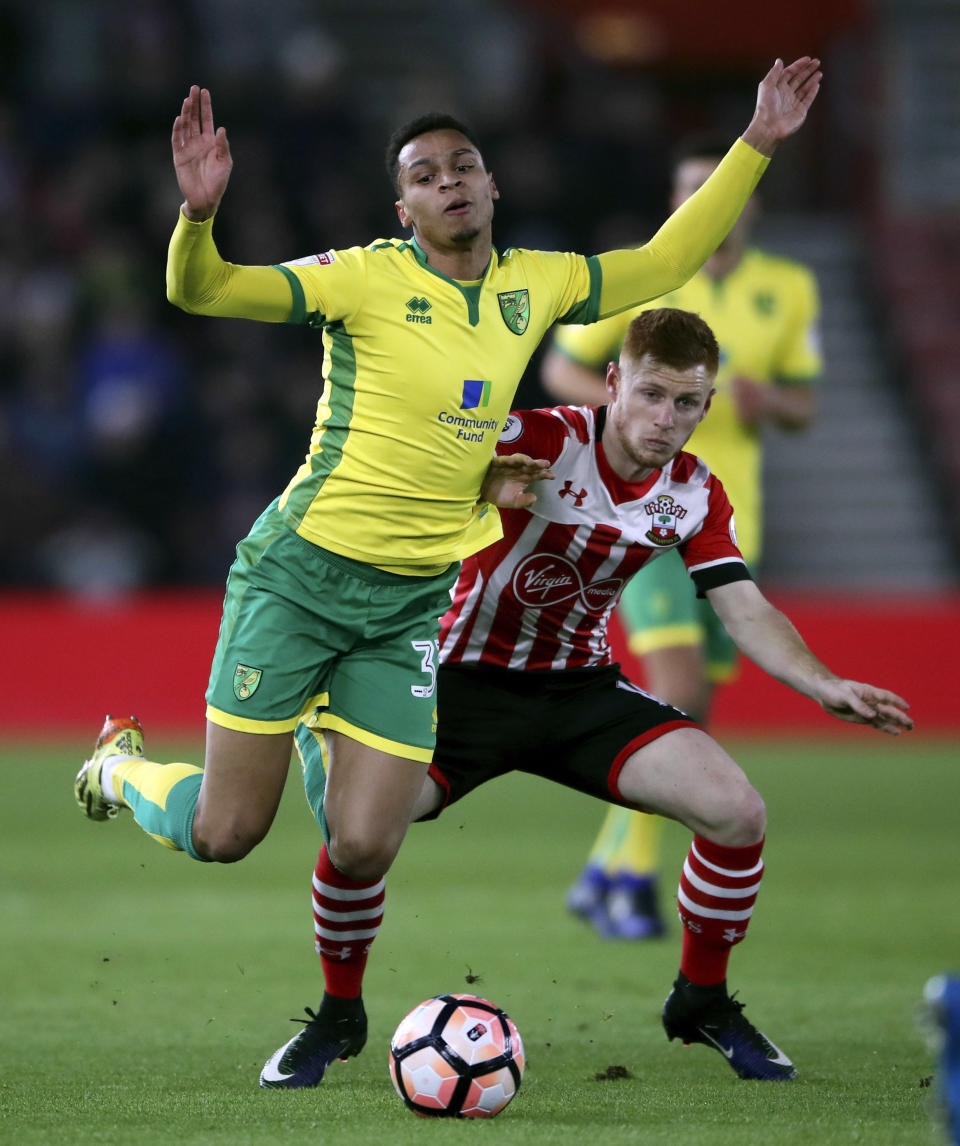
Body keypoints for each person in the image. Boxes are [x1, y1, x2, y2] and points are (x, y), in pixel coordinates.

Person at [73, 60, 823, 1091]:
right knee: (228, 832)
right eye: (426, 174)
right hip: (297, 579)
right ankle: (119, 768)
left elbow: (665, 258)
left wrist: (759, 142)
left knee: (364, 844)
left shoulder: (536, 284)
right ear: (404, 206)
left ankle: (340, 1009)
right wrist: (198, 216)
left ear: (493, 185)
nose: (451, 181)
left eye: (464, 165)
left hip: (405, 608)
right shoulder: (363, 276)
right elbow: (199, 290)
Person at [400, 307, 907, 1081]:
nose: (665, 420)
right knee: (361, 829)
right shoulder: (537, 440)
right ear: (613, 383)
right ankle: (337, 1015)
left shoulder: (695, 493)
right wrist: (476, 488)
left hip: (578, 691)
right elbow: (404, 486)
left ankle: (701, 1000)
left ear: (708, 406)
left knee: (738, 812)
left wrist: (821, 682)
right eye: (650, 395)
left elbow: (744, 608)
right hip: (461, 684)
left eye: (687, 404)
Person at [540, 132, 823, 941]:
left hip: (729, 525)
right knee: (678, 689)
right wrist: (626, 411)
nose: (711, 203)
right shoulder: (650, 280)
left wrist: (773, 401)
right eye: (694, 190)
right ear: (678, 206)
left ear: (748, 201)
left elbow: (808, 407)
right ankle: (623, 880)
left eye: (723, 190)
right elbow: (563, 370)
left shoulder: (789, 289)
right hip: (637, 515)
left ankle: (608, 872)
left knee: (690, 706)